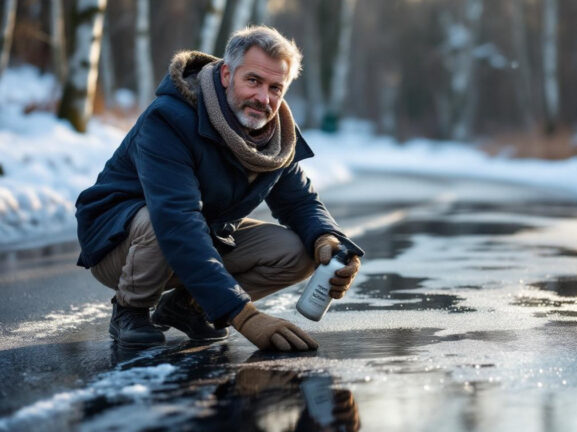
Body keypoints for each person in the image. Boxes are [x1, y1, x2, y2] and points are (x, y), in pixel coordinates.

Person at [75, 26, 363, 352]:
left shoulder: (276, 135)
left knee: (300, 252)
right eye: (252, 81)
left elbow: (301, 203)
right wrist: (243, 315)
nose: (263, 98)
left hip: (201, 235)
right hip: (122, 244)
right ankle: (130, 309)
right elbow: (177, 219)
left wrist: (329, 240)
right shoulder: (169, 119)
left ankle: (189, 306)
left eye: (275, 87)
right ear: (227, 74)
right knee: (159, 222)